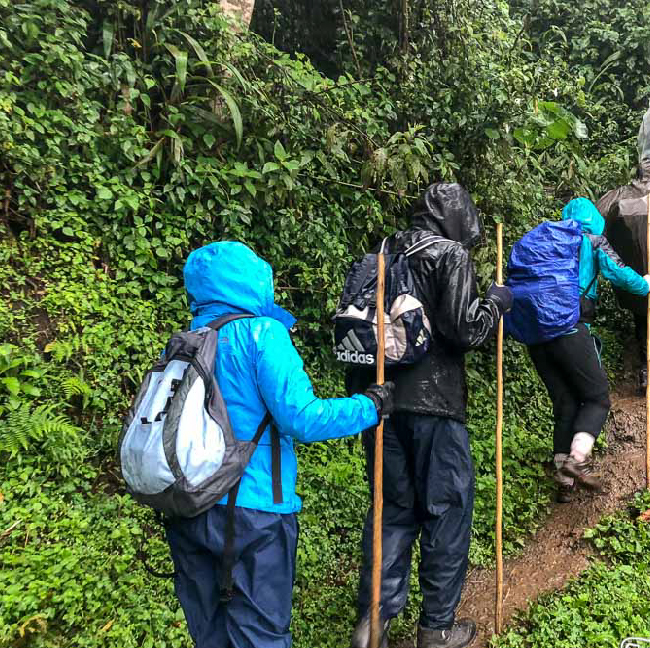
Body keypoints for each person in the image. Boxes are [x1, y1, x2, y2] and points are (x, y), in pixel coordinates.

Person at [164, 241, 395, 648]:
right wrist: (370, 405)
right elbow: (301, 418)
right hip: (253, 513)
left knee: (211, 634)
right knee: (261, 634)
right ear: (252, 280)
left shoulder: (189, 341)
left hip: (189, 507)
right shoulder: (261, 333)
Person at [346, 183, 513, 648]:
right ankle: (436, 628)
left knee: (392, 510)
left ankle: (371, 625)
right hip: (436, 407)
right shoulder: (449, 255)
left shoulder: (377, 255)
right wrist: (497, 303)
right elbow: (464, 330)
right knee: (446, 511)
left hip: (379, 403)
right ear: (457, 216)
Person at [528, 198, 650, 503]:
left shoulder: (546, 242)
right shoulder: (593, 241)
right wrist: (646, 284)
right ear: (595, 220)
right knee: (596, 398)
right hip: (570, 329)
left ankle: (563, 482)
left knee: (566, 404)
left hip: (537, 337)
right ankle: (578, 460)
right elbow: (620, 274)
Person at [596, 107, 650, 391]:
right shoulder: (624, 199)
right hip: (640, 283)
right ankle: (645, 370)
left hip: (639, 283)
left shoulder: (622, 199)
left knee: (643, 319)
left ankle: (645, 369)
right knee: (644, 319)